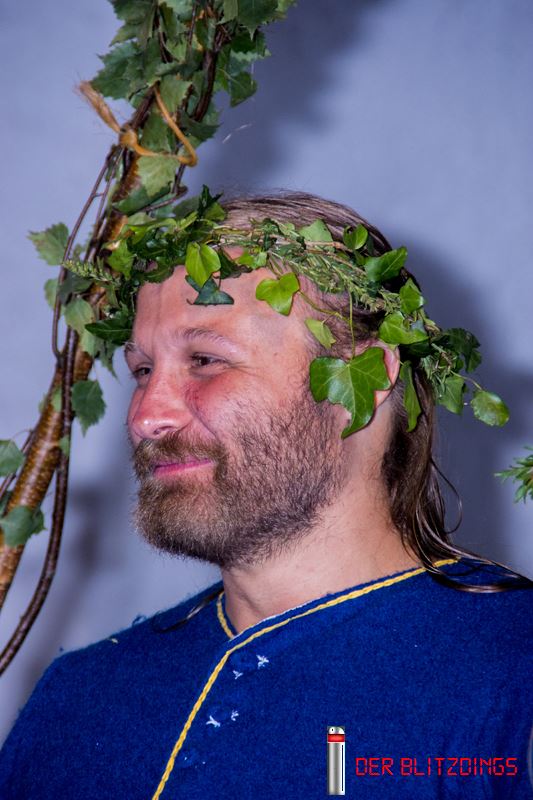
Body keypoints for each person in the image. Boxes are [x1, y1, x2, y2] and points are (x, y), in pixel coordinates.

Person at [0, 191, 531, 799]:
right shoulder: (78, 699)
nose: (145, 416)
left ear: (361, 379)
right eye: (143, 370)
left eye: (205, 359)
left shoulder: (514, 672)